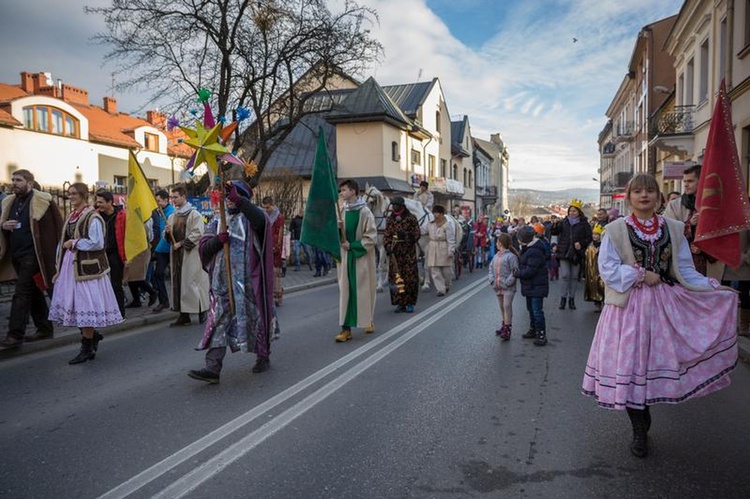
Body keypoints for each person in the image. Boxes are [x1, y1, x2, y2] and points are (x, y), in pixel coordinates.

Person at [582, 173, 738, 458]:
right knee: (630, 369)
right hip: (627, 309)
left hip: (664, 306)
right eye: (638, 191)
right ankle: (639, 429)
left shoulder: (674, 228)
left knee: (652, 366)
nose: (644, 195)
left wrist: (711, 287)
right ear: (629, 197)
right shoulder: (616, 229)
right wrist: (641, 273)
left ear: (659, 197)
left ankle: (644, 415)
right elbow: (608, 270)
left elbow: (684, 269)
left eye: (650, 191)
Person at [188, 181, 278, 383]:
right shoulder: (217, 219)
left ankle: (263, 355)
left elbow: (262, 224)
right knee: (217, 322)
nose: (228, 201)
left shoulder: (253, 218)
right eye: (226, 197)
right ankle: (212, 367)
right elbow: (204, 247)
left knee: (255, 318)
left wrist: (241, 201)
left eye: (233, 197)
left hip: (249, 283)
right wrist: (217, 241)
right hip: (222, 282)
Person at [48, 183, 123, 364]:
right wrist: (58, 269)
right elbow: (62, 242)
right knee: (75, 306)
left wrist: (74, 243)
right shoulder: (72, 216)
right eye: (69, 193)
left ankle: (87, 347)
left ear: (83, 195)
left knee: (84, 307)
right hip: (71, 267)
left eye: (74, 194)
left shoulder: (92, 217)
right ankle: (92, 337)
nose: (71, 196)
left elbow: (97, 243)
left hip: (87, 270)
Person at [0, 169, 62, 348]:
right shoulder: (10, 202)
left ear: (29, 182)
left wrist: (59, 255)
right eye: (13, 180)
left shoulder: (43, 201)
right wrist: (4, 225)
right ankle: (44, 328)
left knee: (21, 292)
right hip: (16, 254)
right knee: (33, 291)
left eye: (18, 180)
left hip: (35, 254)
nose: (14, 183)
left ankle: (14, 335)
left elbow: (59, 226)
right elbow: (4, 226)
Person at [335, 179, 377, 342]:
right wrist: (338, 231)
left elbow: (371, 236)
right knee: (345, 292)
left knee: (363, 291)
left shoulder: (365, 212)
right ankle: (346, 329)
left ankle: (368, 320)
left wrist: (352, 245)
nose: (342, 193)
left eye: (344, 190)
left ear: (353, 191)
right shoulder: (341, 210)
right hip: (346, 258)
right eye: (341, 190)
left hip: (361, 258)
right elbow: (337, 234)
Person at [164, 185, 209, 326]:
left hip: (191, 254)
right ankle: (184, 315)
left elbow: (198, 233)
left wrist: (182, 244)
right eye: (172, 198)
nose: (174, 200)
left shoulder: (194, 214)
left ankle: (203, 311)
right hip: (177, 255)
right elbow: (169, 237)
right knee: (179, 284)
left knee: (193, 283)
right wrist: (167, 232)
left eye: (176, 197)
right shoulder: (172, 216)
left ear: (184, 197)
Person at [663, 164, 711, 275]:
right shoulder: (675, 205)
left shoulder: (714, 204)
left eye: (690, 181)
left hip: (710, 262)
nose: (685, 185)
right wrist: (689, 224)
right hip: (684, 262)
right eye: (684, 181)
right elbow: (667, 231)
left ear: (702, 180)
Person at [550, 200, 592, 310]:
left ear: (579, 212)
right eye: (570, 211)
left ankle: (571, 299)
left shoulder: (584, 223)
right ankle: (563, 298)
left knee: (574, 277)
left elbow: (589, 237)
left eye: (574, 211)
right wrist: (554, 224)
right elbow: (554, 232)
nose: (572, 213)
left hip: (576, 253)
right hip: (564, 251)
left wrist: (581, 244)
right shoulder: (564, 222)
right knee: (565, 275)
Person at [384, 196, 421, 313]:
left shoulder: (411, 218)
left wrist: (406, 236)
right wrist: (388, 246)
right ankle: (400, 302)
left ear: (402, 206)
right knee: (397, 278)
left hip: (408, 253)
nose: (394, 207)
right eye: (393, 205)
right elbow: (386, 235)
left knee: (409, 278)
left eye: (396, 205)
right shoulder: (390, 219)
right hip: (395, 254)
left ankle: (410, 302)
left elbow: (417, 234)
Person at [94, 190, 127, 318]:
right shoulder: (95, 215)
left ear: (110, 202)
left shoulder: (121, 215)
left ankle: (119, 313)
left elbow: (127, 235)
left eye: (101, 202)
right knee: (100, 284)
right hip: (100, 253)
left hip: (115, 253)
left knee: (115, 284)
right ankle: (104, 312)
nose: (98, 204)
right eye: (97, 201)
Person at [517, 225, 549, 346]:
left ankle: (541, 334)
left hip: (537, 285)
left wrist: (518, 274)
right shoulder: (526, 248)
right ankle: (533, 329)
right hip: (530, 285)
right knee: (530, 309)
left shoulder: (534, 250)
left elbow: (531, 270)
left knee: (537, 311)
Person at [488, 233, 519, 340]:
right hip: (498, 286)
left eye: (497, 242)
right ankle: (504, 324)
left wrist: (508, 282)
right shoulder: (496, 256)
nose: (496, 243)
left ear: (500, 243)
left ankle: (508, 327)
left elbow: (514, 271)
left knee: (507, 306)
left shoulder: (511, 257)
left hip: (508, 287)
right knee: (502, 307)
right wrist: (492, 280)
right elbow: (491, 269)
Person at [151, 190, 173, 313]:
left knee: (177, 277)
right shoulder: (160, 212)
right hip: (162, 249)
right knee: (158, 274)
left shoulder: (171, 213)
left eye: (158, 201)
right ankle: (164, 301)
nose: (157, 203)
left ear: (165, 200)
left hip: (169, 248)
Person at [260, 197, 285, 306]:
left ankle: (277, 297)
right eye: (264, 208)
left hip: (275, 248)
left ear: (272, 205)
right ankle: (269, 296)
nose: (266, 210)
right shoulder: (264, 216)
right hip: (266, 245)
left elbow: (280, 232)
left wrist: (277, 246)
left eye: (268, 207)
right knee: (268, 273)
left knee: (275, 273)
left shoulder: (279, 216)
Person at [427, 205, 456, 297]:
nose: (436, 215)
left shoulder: (447, 224)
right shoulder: (430, 223)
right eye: (434, 213)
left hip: (443, 247)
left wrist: (451, 250)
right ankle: (440, 289)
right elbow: (424, 232)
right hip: (433, 247)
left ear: (442, 214)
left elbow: (451, 239)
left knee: (447, 271)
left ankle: (447, 284)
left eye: (438, 213)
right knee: (434, 271)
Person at [583, 224, 605, 312]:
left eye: (597, 234)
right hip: (592, 271)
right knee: (594, 286)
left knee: (603, 286)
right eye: (594, 234)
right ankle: (597, 303)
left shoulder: (604, 245)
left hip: (602, 270)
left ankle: (605, 303)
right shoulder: (590, 246)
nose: (594, 236)